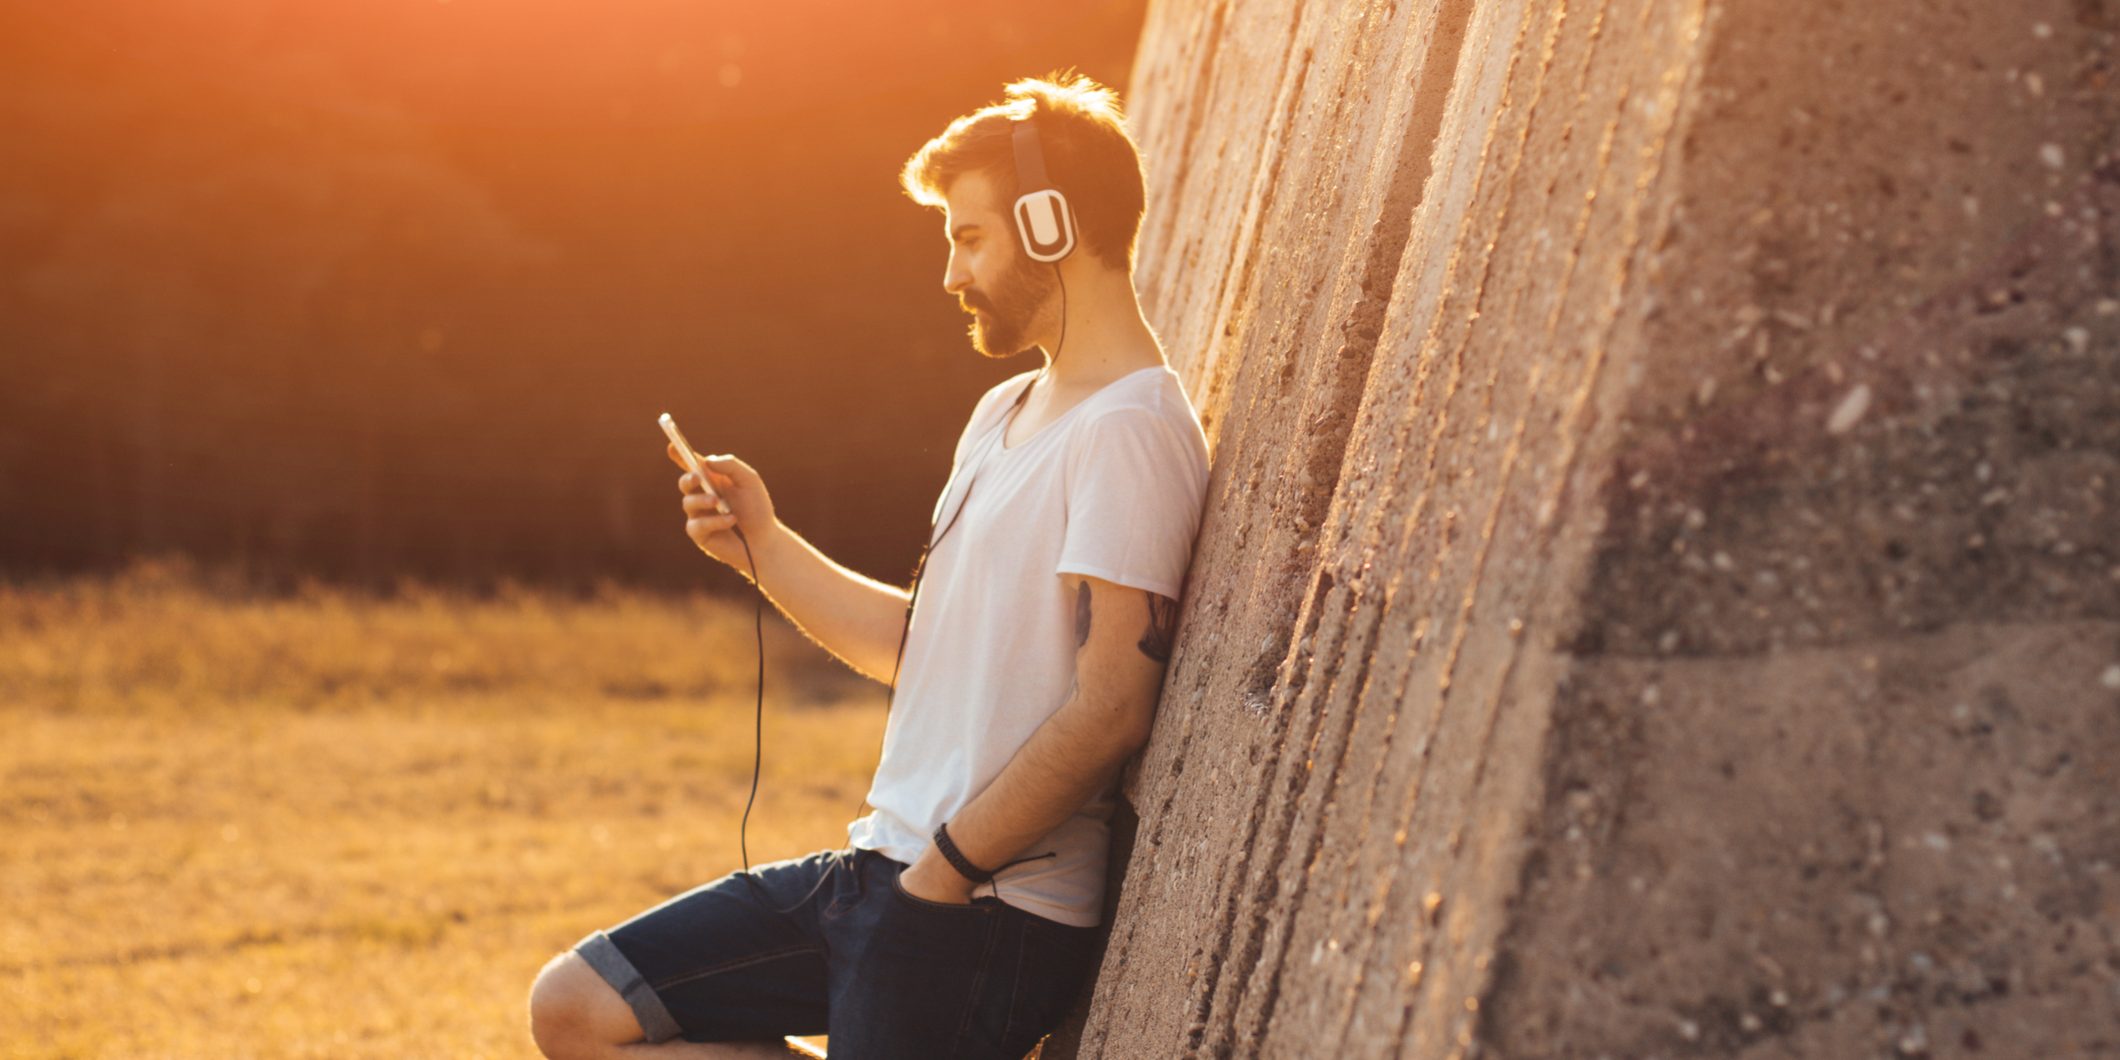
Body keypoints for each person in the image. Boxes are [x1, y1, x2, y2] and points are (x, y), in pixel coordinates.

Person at [528, 70, 1211, 1059]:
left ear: (1053, 225)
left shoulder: (1130, 432)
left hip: (986, 908)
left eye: (967, 238)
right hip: (878, 870)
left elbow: (1112, 705)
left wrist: (941, 874)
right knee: (577, 1007)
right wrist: (762, 543)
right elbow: (921, 646)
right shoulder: (1001, 414)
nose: (949, 275)